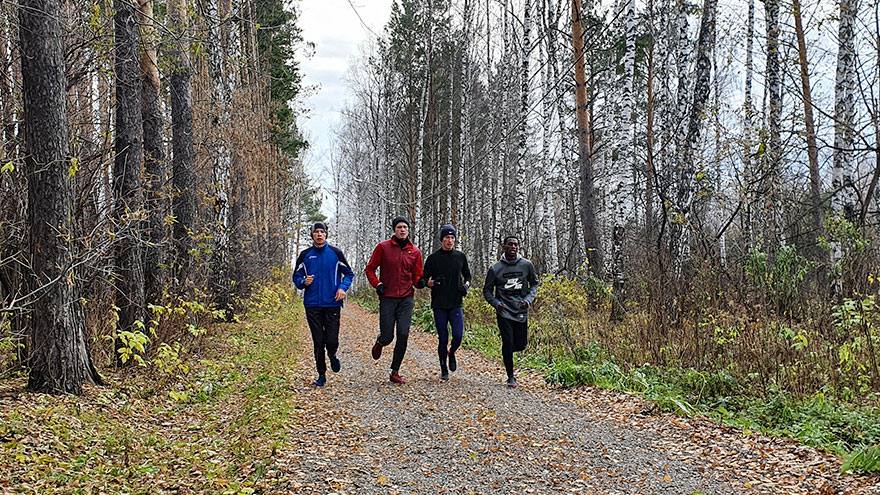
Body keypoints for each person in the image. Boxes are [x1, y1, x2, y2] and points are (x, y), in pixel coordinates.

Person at [293, 222, 355, 387]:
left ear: (326, 234)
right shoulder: (305, 255)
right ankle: (321, 374)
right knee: (318, 341)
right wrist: (303, 281)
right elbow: (296, 276)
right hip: (312, 304)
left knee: (331, 340)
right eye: (316, 232)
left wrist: (342, 288)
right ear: (312, 235)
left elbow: (349, 274)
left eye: (322, 232)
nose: (319, 234)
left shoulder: (335, 253)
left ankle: (333, 354)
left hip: (332, 303)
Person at [365, 216, 424, 384]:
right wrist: (377, 284)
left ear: (408, 230)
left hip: (406, 298)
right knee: (388, 336)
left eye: (405, 227)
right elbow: (369, 269)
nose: (403, 229)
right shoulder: (383, 248)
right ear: (394, 230)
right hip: (388, 297)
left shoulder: (415, 251)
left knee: (403, 333)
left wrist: (420, 282)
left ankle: (395, 371)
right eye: (399, 227)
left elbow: (417, 276)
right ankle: (380, 341)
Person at [417, 224, 471, 381]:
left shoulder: (460, 257)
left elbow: (468, 276)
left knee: (458, 335)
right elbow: (423, 278)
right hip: (439, 304)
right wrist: (430, 283)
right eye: (447, 237)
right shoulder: (433, 259)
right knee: (443, 337)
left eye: (452, 237)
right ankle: (443, 367)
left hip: (456, 303)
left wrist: (465, 286)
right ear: (441, 240)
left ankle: (452, 352)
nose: (450, 240)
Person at [483, 235, 539, 388]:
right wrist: (496, 303)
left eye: (515, 245)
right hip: (504, 311)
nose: (513, 247)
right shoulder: (495, 269)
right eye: (510, 245)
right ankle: (510, 376)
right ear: (504, 247)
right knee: (507, 342)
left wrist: (528, 300)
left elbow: (534, 284)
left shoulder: (526, 265)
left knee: (520, 344)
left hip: (521, 309)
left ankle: (507, 352)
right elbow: (487, 291)